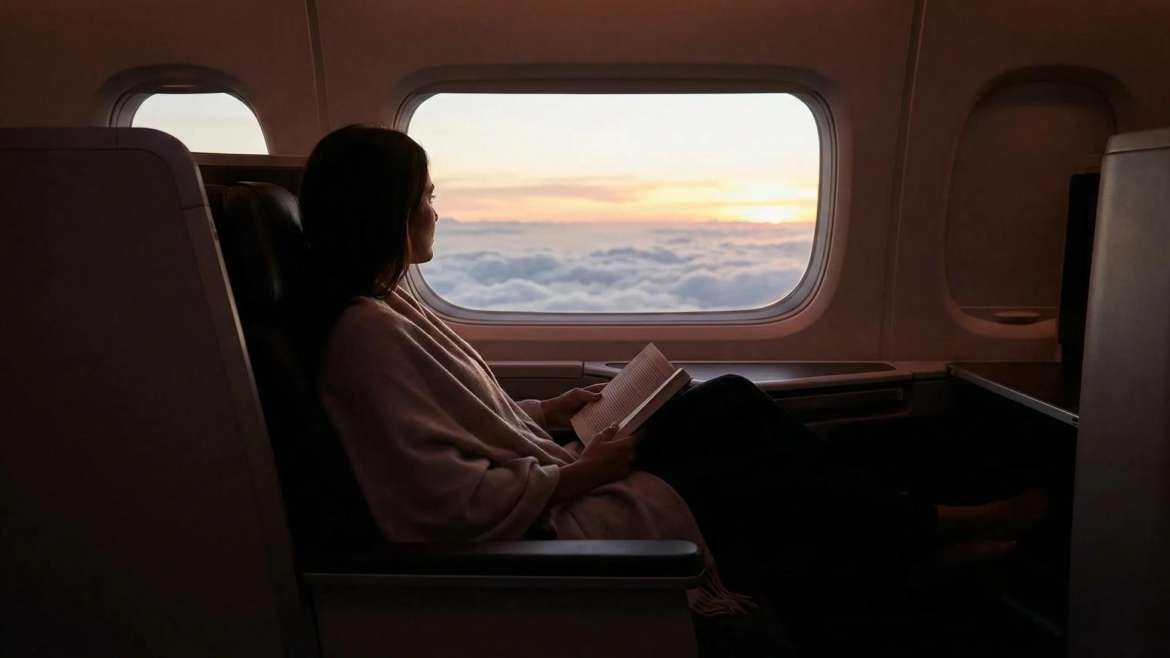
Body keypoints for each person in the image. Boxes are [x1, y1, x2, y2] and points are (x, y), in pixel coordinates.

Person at [293, 124, 1047, 654]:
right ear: (387, 214)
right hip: (545, 515)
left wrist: (547, 410)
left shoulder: (389, 306)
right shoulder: (365, 336)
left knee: (728, 406)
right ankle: (927, 534)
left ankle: (911, 539)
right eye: (426, 196)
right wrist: (580, 474)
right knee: (741, 459)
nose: (438, 210)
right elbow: (438, 501)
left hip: (551, 469)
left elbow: (457, 421)